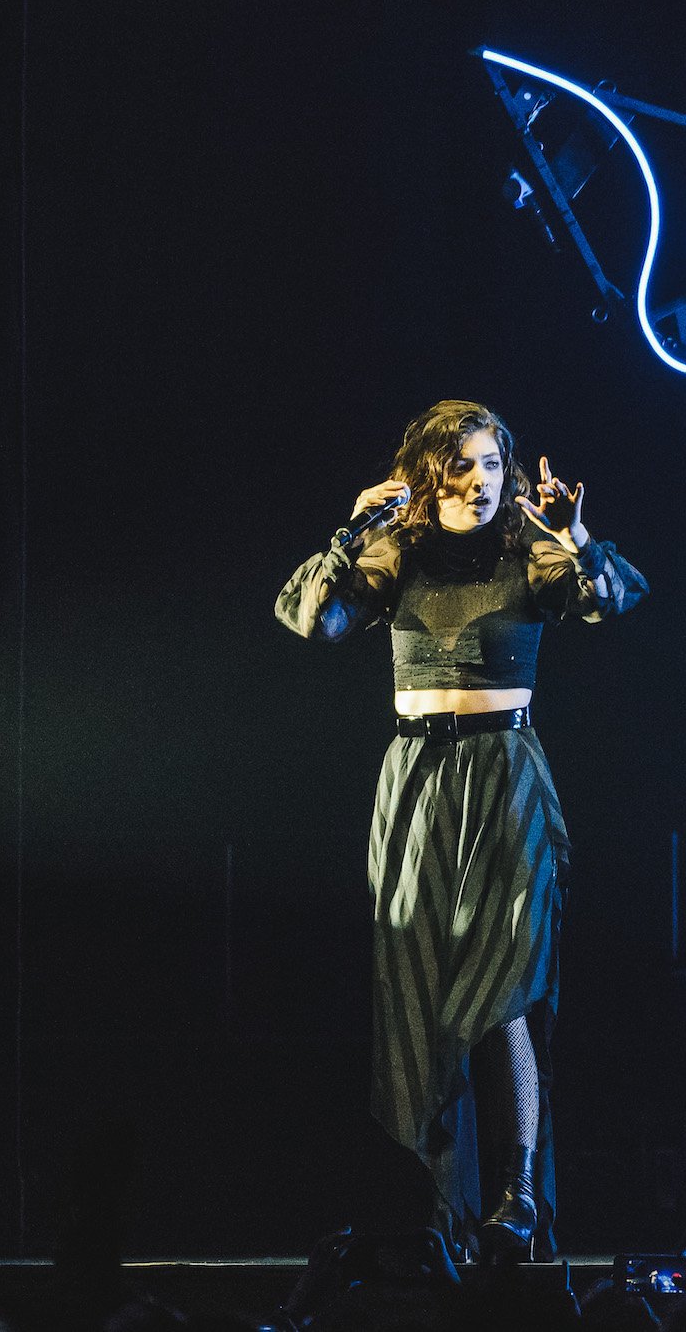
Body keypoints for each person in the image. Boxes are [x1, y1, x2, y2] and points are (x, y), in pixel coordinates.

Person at [275, 399, 647, 1261]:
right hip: (416, 785)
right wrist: (351, 529)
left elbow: (607, 602)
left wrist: (575, 539)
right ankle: (432, 1208)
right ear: (428, 473)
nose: (481, 482)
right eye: (463, 466)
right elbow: (308, 618)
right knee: (417, 995)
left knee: (503, 983)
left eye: (491, 464)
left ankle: (517, 1193)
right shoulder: (395, 552)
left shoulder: (527, 549)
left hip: (504, 779)